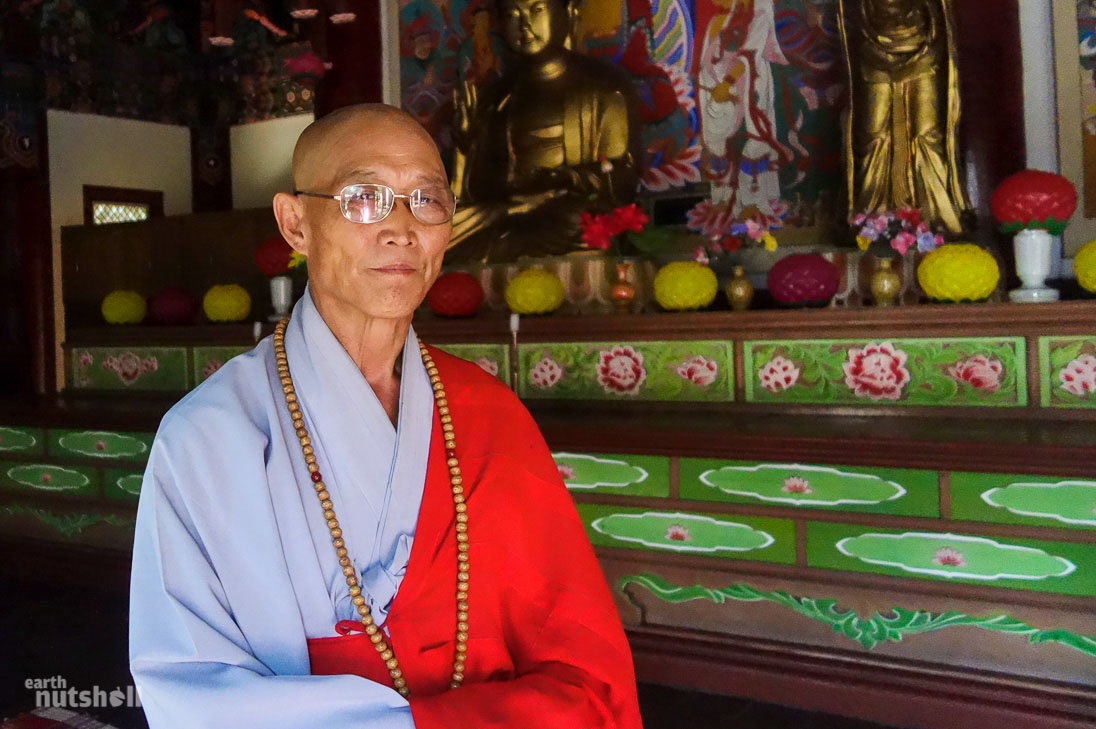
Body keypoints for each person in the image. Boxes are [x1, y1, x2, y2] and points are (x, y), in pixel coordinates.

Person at [128, 104, 644, 729]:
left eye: (427, 199)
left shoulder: (488, 413)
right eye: (363, 198)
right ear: (295, 223)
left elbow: (582, 656)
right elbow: (193, 688)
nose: (401, 228)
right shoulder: (210, 437)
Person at [446, 0, 642, 262]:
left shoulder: (604, 86)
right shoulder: (497, 97)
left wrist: (564, 178)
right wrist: (466, 146)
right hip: (508, 214)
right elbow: (478, 193)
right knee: (444, 233)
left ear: (569, 12)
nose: (524, 25)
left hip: (562, 213)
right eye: (512, 14)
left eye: (537, 10)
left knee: (582, 222)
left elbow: (624, 174)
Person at [838, 0, 969, 233]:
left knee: (926, 134)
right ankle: (874, 217)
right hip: (873, 48)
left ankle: (933, 213)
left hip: (923, 47)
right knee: (873, 134)